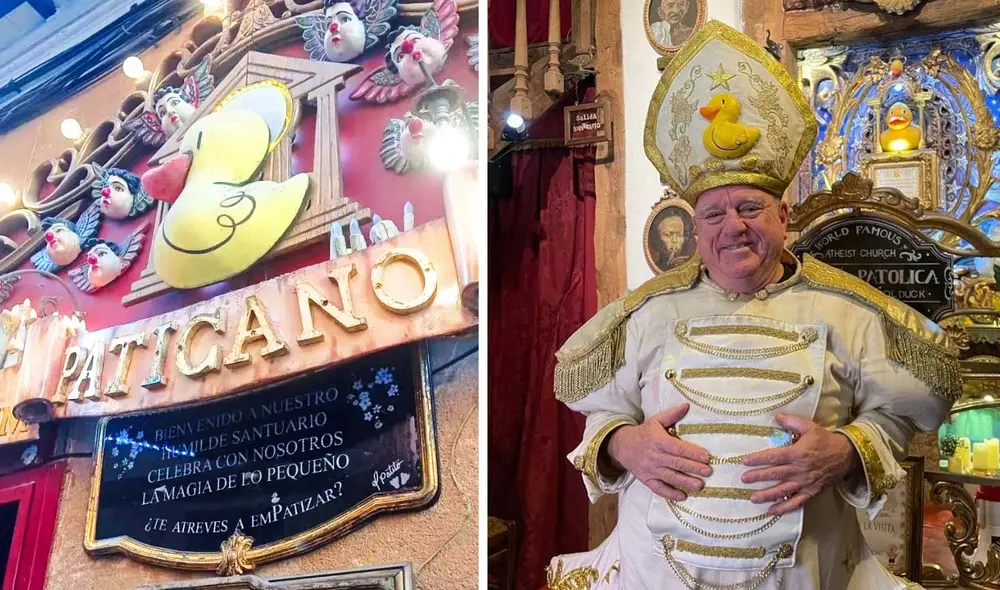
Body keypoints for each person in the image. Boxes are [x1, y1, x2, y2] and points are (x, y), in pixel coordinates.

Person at [546, 20, 959, 590]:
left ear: (783, 218)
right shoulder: (644, 316)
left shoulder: (850, 313)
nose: (732, 227)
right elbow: (599, 413)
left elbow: (897, 418)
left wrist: (844, 449)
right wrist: (624, 442)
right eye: (714, 215)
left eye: (750, 208)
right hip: (655, 574)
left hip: (803, 573)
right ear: (695, 229)